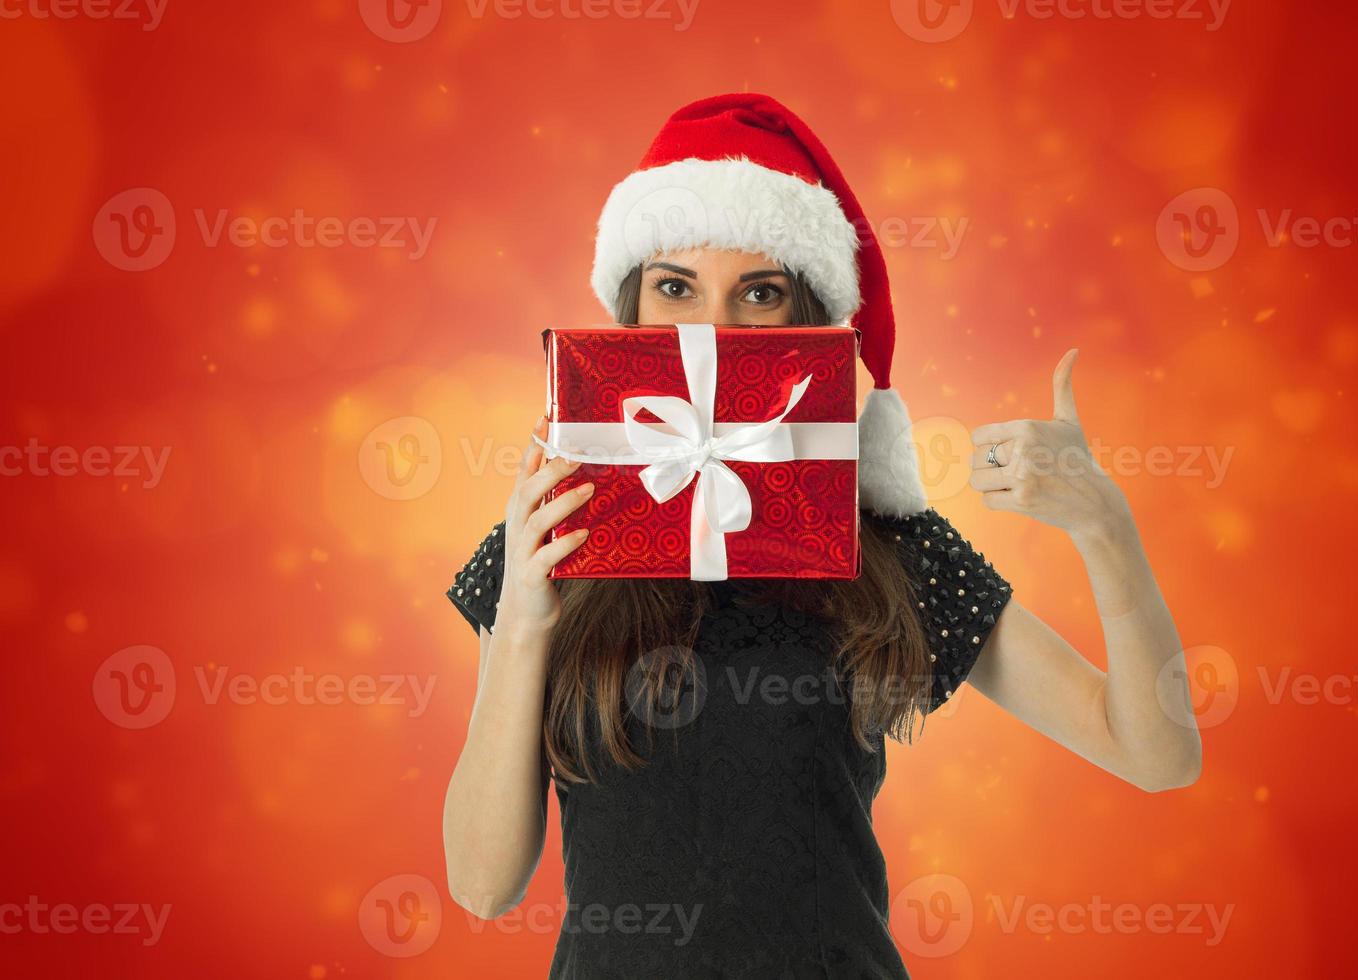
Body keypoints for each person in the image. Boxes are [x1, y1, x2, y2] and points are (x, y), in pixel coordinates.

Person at [442, 93, 1202, 979]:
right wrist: (528, 616)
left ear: (805, 317)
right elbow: (481, 884)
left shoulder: (878, 535)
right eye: (676, 287)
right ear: (633, 308)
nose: (715, 330)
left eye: (757, 293)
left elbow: (1155, 754)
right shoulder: (553, 528)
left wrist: (1105, 528)